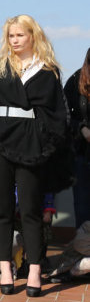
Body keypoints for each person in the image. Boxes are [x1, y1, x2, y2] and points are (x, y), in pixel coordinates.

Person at [0, 15, 67, 297]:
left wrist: (46, 146)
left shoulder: (48, 69)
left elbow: (55, 115)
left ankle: (35, 269)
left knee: (30, 210)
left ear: (32, 36)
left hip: (32, 143)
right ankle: (5, 270)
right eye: (11, 36)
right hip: (0, 139)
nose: (14, 41)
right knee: (1, 210)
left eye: (20, 35)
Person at [63, 47, 90, 229]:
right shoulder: (75, 80)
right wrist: (82, 128)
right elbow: (63, 116)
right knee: (83, 205)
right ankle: (85, 250)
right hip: (82, 154)